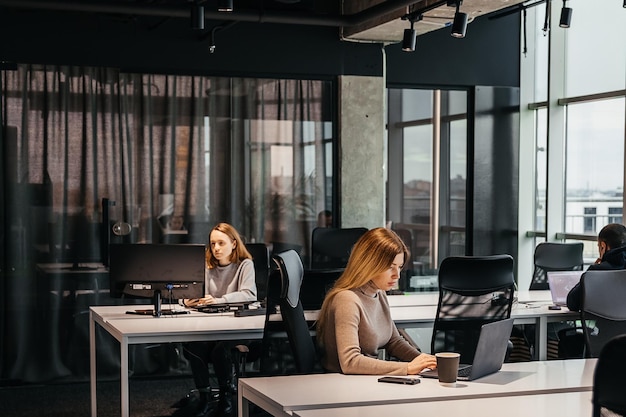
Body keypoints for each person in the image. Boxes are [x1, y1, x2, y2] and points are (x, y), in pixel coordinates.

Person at [316, 227, 437, 375]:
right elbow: (350, 362)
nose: (397, 275)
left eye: (399, 267)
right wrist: (407, 368)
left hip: (366, 381)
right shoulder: (346, 300)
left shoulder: (379, 293)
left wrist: (426, 362)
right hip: (344, 385)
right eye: (390, 267)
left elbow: (393, 341)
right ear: (370, 264)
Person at [181, 223, 257, 417]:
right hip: (208, 326)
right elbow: (186, 289)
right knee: (196, 346)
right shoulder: (205, 264)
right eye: (213, 243)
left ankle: (225, 397)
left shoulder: (244, 264)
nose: (216, 248)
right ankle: (204, 398)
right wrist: (187, 299)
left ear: (233, 243)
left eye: (221, 243)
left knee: (220, 350)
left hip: (236, 328)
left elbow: (249, 294)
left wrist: (219, 300)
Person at [566, 223, 626, 312]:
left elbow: (572, 303)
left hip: (606, 325)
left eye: (599, 246)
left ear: (603, 246)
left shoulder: (597, 272)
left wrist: (592, 272)